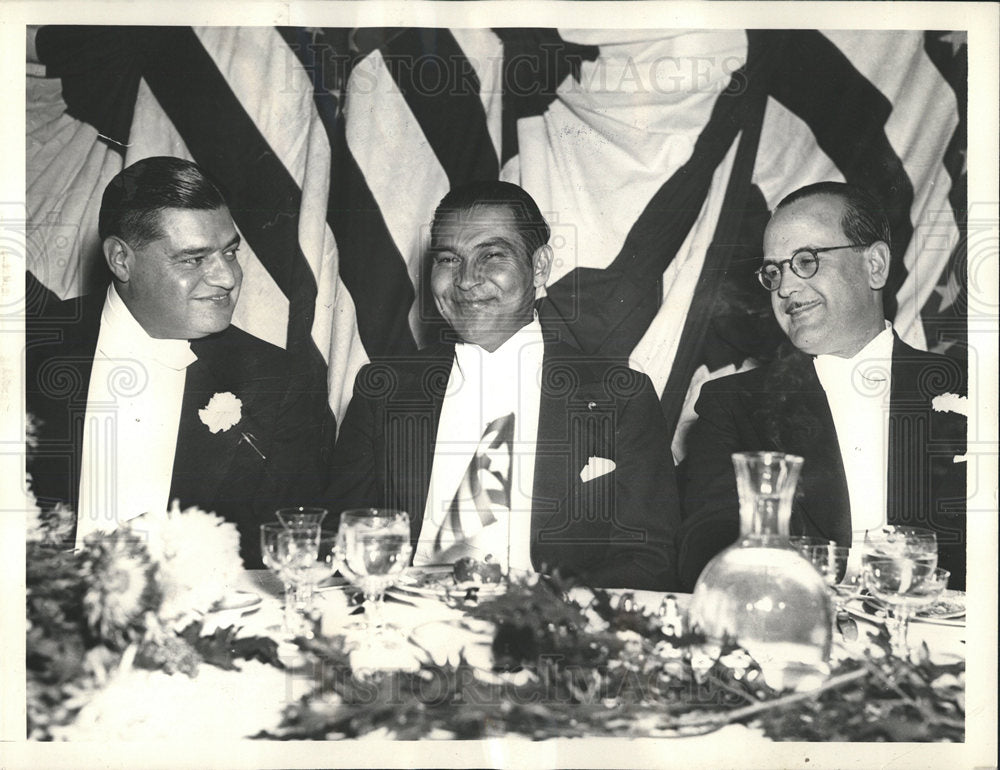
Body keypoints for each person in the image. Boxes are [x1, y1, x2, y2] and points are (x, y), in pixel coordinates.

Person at [327, 181, 680, 590]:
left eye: (492, 255)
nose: (466, 280)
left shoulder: (620, 397)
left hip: (547, 629)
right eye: (448, 259)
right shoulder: (383, 389)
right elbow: (341, 537)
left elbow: (649, 559)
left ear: (540, 266)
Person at [25, 156, 334, 567]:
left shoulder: (281, 381)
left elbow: (289, 555)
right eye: (193, 259)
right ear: (121, 260)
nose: (227, 277)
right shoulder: (24, 350)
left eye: (230, 252)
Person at [678, 182, 967, 590]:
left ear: (876, 265)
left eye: (806, 261)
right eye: (774, 271)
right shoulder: (733, 404)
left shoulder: (974, 391)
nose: (784, 288)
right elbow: (707, 543)